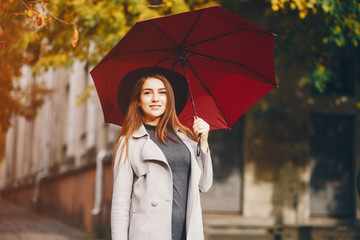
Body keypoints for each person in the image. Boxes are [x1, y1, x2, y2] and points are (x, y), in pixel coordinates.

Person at [111, 67, 213, 240]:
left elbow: (204, 185)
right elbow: (120, 203)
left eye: (162, 92)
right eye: (147, 93)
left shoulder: (186, 138)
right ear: (138, 101)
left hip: (188, 233)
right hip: (149, 233)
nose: (155, 99)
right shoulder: (129, 142)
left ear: (169, 99)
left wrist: (203, 143)